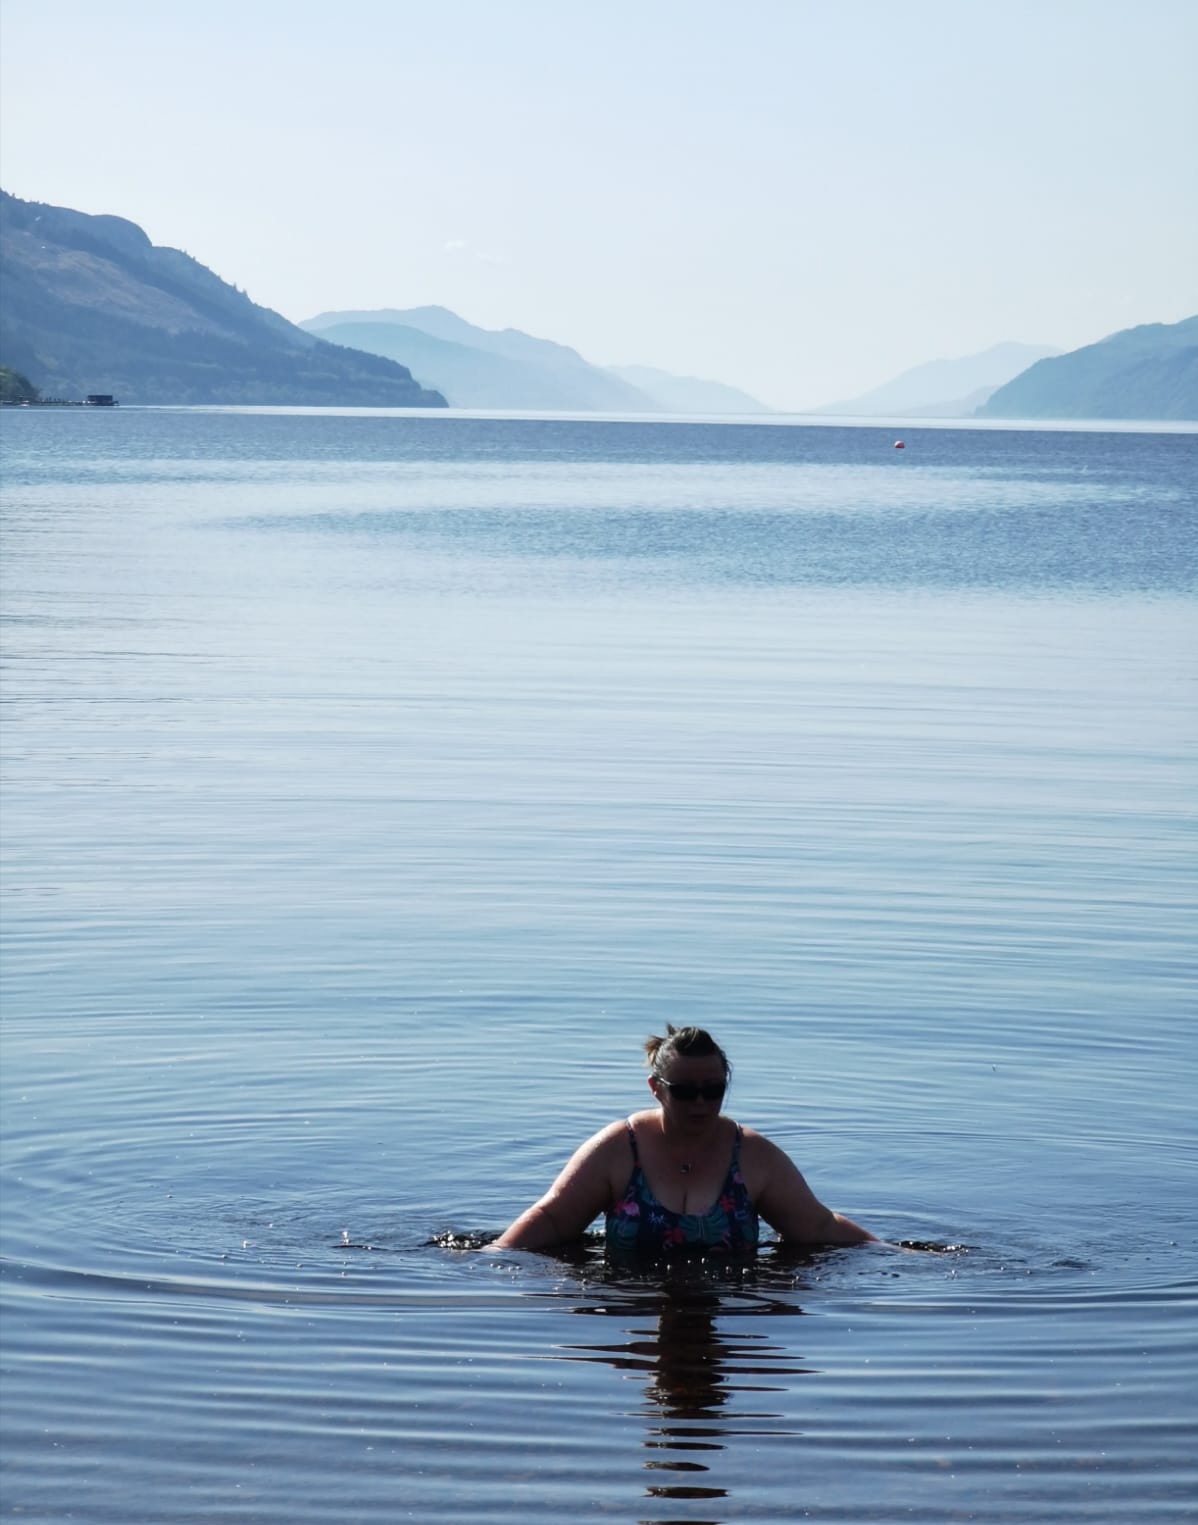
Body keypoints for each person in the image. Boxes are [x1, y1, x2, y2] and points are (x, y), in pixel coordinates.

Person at [493, 1024, 877, 1254]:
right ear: (655, 1089)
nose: (701, 1103)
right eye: (685, 1091)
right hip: (635, 1299)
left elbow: (818, 1226)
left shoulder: (754, 1156)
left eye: (712, 1090)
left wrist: (893, 1254)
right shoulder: (619, 1148)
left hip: (725, 1302)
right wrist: (492, 1256)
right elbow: (554, 1218)